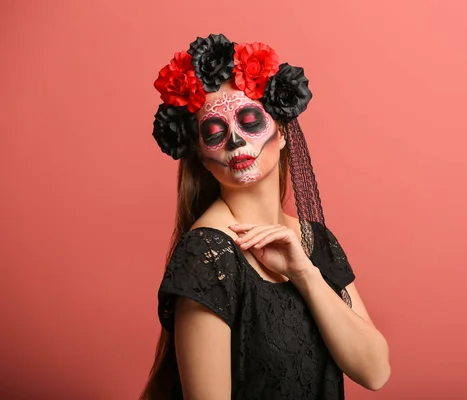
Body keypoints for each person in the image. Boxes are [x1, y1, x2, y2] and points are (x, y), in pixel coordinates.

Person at [140, 33, 390, 400]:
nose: (236, 141)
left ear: (283, 131)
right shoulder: (207, 254)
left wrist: (305, 273)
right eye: (214, 132)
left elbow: (375, 371)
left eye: (249, 120)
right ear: (201, 157)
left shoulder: (315, 239)